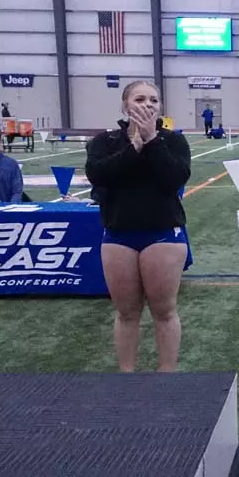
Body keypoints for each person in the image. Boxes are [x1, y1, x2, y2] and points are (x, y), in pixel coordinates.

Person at [85, 80, 192, 374]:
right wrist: (134, 147)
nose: (147, 104)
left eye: (154, 100)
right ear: (125, 105)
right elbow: (98, 175)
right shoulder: (105, 142)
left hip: (163, 233)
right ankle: (127, 374)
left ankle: (166, 374)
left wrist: (152, 141)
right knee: (126, 313)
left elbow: (175, 178)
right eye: (140, 99)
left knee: (164, 311)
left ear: (160, 108)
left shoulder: (173, 141)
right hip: (119, 234)